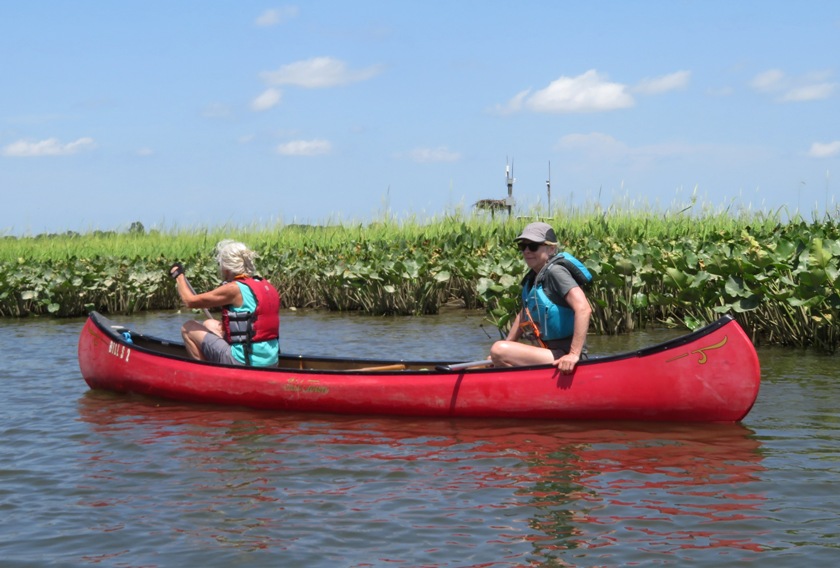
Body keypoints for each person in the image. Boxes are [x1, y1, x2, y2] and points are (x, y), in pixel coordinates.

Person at [489, 222, 592, 373]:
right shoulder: (533, 278)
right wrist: (501, 353)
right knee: (498, 353)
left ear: (551, 249)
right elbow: (524, 314)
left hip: (563, 354)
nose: (527, 251)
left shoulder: (556, 272)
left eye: (533, 246)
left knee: (499, 349)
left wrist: (573, 354)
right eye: (523, 246)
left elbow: (583, 308)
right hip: (547, 352)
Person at [169, 240, 280, 367]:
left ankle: (206, 376)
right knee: (209, 324)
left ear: (227, 269)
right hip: (272, 362)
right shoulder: (264, 285)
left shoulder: (234, 289)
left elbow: (189, 301)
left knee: (188, 328)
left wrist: (179, 275)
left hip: (244, 363)